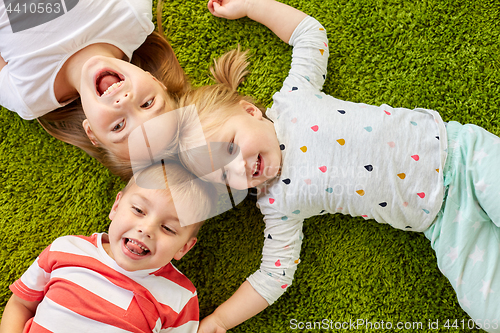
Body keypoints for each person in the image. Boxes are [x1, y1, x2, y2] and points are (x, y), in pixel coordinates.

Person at [175, 0, 500, 332]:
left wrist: (251, 6)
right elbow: (274, 275)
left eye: (230, 146)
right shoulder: (276, 204)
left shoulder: (292, 100)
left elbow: (309, 34)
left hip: (461, 156)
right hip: (444, 223)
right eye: (225, 176)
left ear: (249, 111)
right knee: (490, 310)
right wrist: (219, 320)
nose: (239, 168)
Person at [0, 161, 217, 333]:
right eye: (139, 210)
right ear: (116, 206)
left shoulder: (180, 297)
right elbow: (21, 304)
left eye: (168, 228)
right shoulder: (67, 249)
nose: (146, 229)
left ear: (184, 248)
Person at [0, 0, 188, 180]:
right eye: (147, 104)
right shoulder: (133, 16)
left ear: (91, 132)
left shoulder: (28, 96)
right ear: (154, 80)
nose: (124, 102)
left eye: (118, 126)